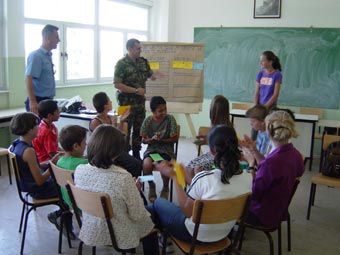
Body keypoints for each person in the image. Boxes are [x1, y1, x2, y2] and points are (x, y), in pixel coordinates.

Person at [147, 125, 252, 243]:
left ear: (211, 151)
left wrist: (175, 177)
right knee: (153, 210)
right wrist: (187, 178)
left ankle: (165, 241)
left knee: (157, 204)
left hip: (195, 235)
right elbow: (209, 190)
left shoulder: (205, 178)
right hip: (224, 233)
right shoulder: (248, 177)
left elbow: (187, 212)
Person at [74, 125, 159, 254]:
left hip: (91, 226)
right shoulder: (123, 177)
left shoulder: (79, 170)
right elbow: (137, 215)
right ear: (116, 151)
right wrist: (134, 191)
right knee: (155, 214)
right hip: (119, 231)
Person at [242, 110, 304, 229]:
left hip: (261, 215)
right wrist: (254, 151)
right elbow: (267, 168)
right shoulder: (295, 155)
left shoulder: (271, 163)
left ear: (269, 132)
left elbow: (254, 193)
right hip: (278, 211)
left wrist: (251, 164)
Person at [9, 112, 63, 230]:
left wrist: (49, 162)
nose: (38, 128)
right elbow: (39, 181)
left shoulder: (16, 145)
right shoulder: (28, 151)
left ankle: (63, 219)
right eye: (36, 126)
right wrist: (53, 166)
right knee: (68, 187)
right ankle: (60, 217)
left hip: (27, 186)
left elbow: (31, 167)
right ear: (29, 129)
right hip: (39, 190)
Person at [113, 38, 164, 160]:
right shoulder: (121, 64)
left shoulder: (142, 62)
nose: (140, 51)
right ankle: (124, 155)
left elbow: (150, 76)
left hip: (140, 104)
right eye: (138, 49)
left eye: (140, 48)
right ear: (130, 49)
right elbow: (117, 84)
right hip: (126, 105)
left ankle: (136, 153)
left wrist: (154, 75)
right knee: (125, 130)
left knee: (138, 130)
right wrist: (135, 90)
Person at [89, 92, 143, 178]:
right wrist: (114, 125)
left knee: (137, 164)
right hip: (104, 153)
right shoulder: (95, 122)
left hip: (114, 151)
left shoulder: (110, 118)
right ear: (105, 105)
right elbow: (106, 141)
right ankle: (132, 186)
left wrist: (121, 121)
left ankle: (134, 185)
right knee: (135, 165)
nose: (111, 102)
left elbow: (118, 137)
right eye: (109, 101)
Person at [140, 96, 178, 202]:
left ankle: (165, 187)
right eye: (160, 111)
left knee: (163, 165)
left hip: (166, 150)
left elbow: (174, 139)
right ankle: (151, 185)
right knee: (146, 165)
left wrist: (161, 141)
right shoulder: (148, 121)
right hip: (152, 149)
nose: (164, 112)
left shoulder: (170, 119)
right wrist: (150, 140)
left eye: (165, 109)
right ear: (153, 111)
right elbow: (143, 140)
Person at [186, 95, 232, 177]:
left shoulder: (227, 128)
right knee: (189, 167)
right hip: (211, 155)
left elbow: (222, 147)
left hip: (220, 158)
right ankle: (196, 187)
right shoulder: (214, 125)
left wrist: (207, 141)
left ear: (214, 111)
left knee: (197, 169)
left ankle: (199, 187)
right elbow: (214, 141)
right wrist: (206, 139)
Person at [25, 24, 60, 114]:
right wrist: (32, 101)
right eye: (56, 37)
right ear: (48, 38)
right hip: (38, 101)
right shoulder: (36, 56)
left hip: (48, 100)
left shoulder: (48, 56)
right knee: (39, 127)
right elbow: (29, 78)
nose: (58, 40)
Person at [32, 99, 62, 164]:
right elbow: (52, 154)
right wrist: (67, 155)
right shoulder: (46, 131)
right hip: (45, 162)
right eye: (57, 111)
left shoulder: (51, 125)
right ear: (50, 116)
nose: (59, 112)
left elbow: (55, 147)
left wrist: (66, 152)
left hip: (49, 157)